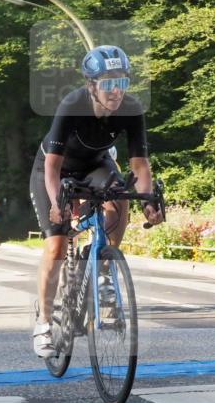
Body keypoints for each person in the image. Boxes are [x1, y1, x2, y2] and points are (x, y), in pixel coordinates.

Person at [29, 45, 163, 357]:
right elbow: (52, 166)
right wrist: (55, 202)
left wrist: (147, 200)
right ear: (92, 86)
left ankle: (103, 262)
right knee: (57, 246)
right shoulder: (72, 104)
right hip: (54, 168)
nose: (116, 91)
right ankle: (45, 322)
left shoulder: (131, 109)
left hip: (95, 165)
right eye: (108, 84)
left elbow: (139, 165)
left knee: (120, 194)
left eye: (122, 83)